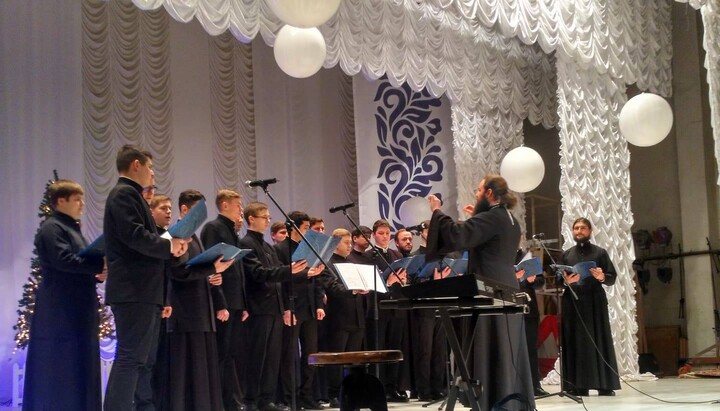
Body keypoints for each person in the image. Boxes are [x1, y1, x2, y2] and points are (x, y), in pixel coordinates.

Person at [426, 174, 535, 410]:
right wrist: (475, 219)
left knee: (491, 342)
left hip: (490, 287)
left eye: (478, 191)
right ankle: (511, 399)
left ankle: (492, 399)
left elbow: (457, 236)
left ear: (489, 193)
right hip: (507, 284)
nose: (476, 195)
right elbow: (485, 241)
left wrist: (437, 212)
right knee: (506, 345)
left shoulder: (492, 217)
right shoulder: (510, 219)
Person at [103, 145, 189, 411]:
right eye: (150, 167)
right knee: (130, 358)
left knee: (137, 359)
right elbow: (135, 236)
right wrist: (168, 245)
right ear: (136, 165)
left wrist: (171, 247)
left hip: (142, 291)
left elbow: (142, 238)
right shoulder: (124, 194)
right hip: (133, 290)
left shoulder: (132, 195)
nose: (153, 173)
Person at [23, 179, 106, 411]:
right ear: (61, 201)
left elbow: (76, 266)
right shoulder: (52, 228)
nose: (82, 204)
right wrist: (96, 266)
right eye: (77, 199)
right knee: (63, 364)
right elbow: (63, 261)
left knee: (78, 361)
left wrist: (96, 275)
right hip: (61, 311)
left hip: (76, 307)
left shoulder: (70, 228)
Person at [238, 202, 323, 411]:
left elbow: (279, 275)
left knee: (272, 357)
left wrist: (304, 274)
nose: (268, 221)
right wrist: (290, 270)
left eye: (269, 217)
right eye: (264, 217)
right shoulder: (246, 243)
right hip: (259, 307)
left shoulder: (267, 246)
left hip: (275, 306)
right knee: (258, 356)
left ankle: (266, 399)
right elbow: (258, 274)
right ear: (251, 219)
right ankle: (251, 400)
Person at [167, 190, 233, 411]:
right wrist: (211, 268)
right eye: (199, 211)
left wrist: (213, 274)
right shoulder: (176, 235)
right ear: (184, 209)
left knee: (202, 369)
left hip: (201, 311)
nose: (202, 216)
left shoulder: (192, 235)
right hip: (186, 312)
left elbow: (198, 269)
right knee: (187, 371)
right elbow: (179, 272)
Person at [558, 217, 621, 397]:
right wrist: (566, 281)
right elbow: (558, 280)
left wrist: (602, 276)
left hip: (594, 301)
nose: (579, 231)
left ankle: (604, 385)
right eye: (576, 228)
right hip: (573, 302)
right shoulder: (566, 255)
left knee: (599, 338)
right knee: (575, 341)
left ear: (590, 231)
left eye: (583, 228)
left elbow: (611, 277)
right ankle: (577, 385)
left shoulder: (600, 253)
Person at [201, 189, 247, 411]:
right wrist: (220, 303)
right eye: (238, 205)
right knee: (222, 353)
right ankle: (222, 402)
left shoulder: (232, 231)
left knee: (232, 353)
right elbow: (213, 269)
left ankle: (233, 401)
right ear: (225, 205)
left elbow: (238, 271)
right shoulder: (213, 228)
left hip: (236, 302)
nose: (241, 209)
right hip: (225, 302)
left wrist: (243, 303)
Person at [274, 211, 325, 410]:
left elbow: (316, 279)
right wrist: (286, 308)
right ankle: (290, 397)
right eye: (304, 228)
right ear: (293, 227)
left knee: (311, 353)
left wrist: (319, 304)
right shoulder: (280, 249)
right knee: (290, 354)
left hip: (310, 306)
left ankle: (307, 395)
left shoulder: (309, 247)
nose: (307, 231)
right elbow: (280, 280)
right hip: (293, 306)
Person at [317, 229, 369, 408]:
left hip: (357, 317)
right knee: (337, 359)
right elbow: (333, 288)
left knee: (354, 359)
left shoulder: (352, 262)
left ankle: (352, 392)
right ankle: (334, 394)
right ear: (335, 244)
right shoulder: (327, 264)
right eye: (346, 243)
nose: (349, 246)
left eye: (350, 243)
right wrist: (353, 290)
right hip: (338, 318)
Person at [363, 219, 409, 403]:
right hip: (378, 308)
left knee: (394, 348)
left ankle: (392, 387)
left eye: (387, 233)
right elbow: (368, 284)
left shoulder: (397, 254)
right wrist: (387, 283)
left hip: (396, 307)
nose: (384, 237)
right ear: (374, 235)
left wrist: (403, 280)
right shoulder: (368, 256)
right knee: (378, 349)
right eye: (381, 233)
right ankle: (378, 388)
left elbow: (403, 276)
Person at [148, 194, 174, 411]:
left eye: (169, 208)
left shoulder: (167, 236)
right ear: (151, 211)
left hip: (165, 304)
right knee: (149, 359)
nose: (168, 212)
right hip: (152, 302)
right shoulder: (151, 238)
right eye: (163, 208)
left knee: (162, 360)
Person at [514, 247, 548, 397]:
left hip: (529, 308)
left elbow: (541, 282)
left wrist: (532, 280)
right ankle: (513, 385)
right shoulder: (502, 256)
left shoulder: (527, 257)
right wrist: (514, 277)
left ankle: (534, 385)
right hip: (509, 306)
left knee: (531, 348)